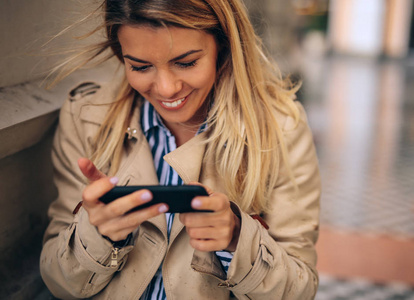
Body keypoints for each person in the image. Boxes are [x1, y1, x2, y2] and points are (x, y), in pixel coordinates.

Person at [40, 0, 321, 299]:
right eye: (140, 66)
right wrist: (97, 235)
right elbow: (59, 282)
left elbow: (299, 290)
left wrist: (237, 239)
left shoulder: (280, 129)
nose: (166, 88)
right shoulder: (86, 118)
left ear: (223, 46)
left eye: (186, 63)